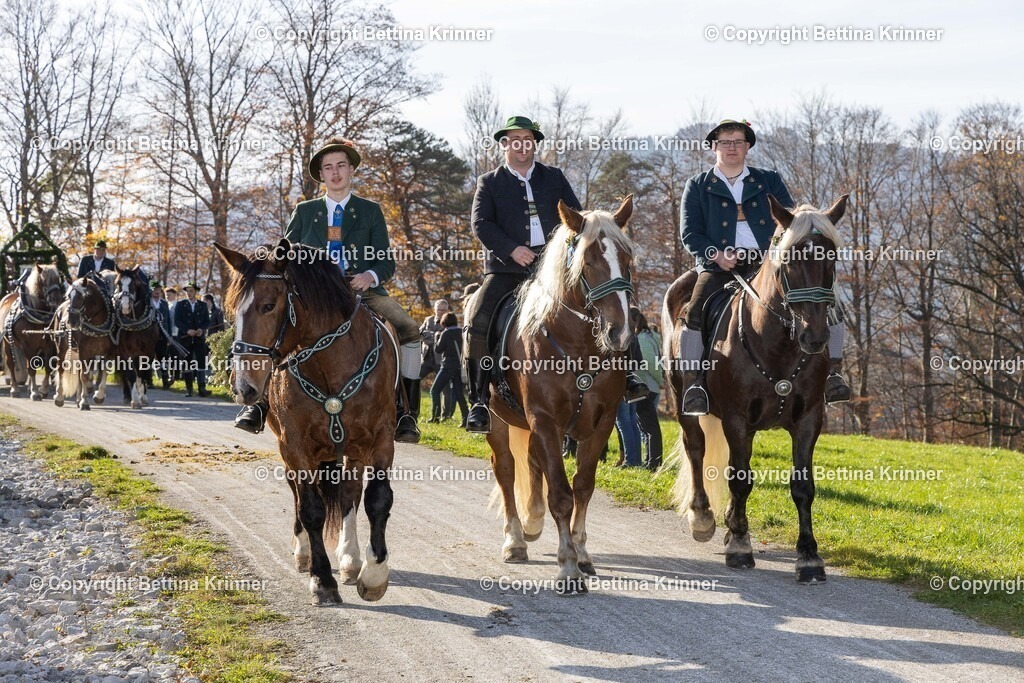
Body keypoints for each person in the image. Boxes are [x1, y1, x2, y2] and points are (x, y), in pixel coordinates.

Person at [465, 115, 647, 434]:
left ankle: (630, 376)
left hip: (556, 270)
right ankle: (479, 400)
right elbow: (481, 224)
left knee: (614, 303)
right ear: (505, 144)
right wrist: (512, 249)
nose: (522, 146)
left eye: (528, 140)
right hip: (508, 269)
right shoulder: (489, 182)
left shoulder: (554, 177)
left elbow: (578, 219)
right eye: (515, 140)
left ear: (535, 144)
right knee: (479, 318)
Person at [234, 136, 422, 443]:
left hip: (360, 291)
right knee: (276, 329)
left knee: (409, 330)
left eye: (341, 166)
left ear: (351, 170)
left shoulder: (370, 211)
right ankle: (260, 404)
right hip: (313, 297)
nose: (335, 173)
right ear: (321, 174)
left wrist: (370, 275)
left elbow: (386, 260)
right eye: (329, 167)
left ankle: (406, 412)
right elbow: (284, 257)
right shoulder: (304, 211)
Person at [679, 118, 852, 415]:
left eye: (738, 142)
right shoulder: (697, 185)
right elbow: (690, 233)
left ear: (747, 147)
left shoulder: (769, 179)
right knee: (695, 311)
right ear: (714, 147)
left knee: (830, 304)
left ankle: (833, 376)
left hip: (769, 265)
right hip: (720, 266)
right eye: (725, 142)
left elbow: (792, 224)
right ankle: (694, 384)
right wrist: (715, 254)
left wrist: (777, 254)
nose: (732, 147)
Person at [632, 309, 663, 470]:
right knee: (645, 426)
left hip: (646, 387)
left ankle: (654, 462)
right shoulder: (649, 336)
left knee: (649, 427)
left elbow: (651, 363)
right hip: (649, 386)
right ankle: (649, 459)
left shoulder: (642, 339)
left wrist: (660, 380)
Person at [429, 312, 469, 426]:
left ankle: (435, 417)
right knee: (459, 394)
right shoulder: (461, 332)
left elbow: (438, 349)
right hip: (459, 367)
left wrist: (437, 337)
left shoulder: (445, 333)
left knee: (435, 390)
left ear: (444, 322)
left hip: (447, 367)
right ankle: (466, 418)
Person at [173, 280, 210, 398]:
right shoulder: (180, 304)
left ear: (196, 292)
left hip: (199, 338)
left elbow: (207, 321)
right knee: (186, 362)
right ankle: (189, 389)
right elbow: (177, 321)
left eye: (191, 291)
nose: (189, 293)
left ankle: (202, 388)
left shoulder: (203, 305)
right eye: (187, 291)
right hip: (185, 338)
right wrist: (187, 330)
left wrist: (201, 329)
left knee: (201, 362)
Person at [420, 298, 453, 417]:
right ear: (435, 310)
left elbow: (445, 339)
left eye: (443, 310)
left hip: (440, 360)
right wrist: (435, 336)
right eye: (439, 309)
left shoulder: (449, 322)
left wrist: (429, 335)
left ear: (447, 310)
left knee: (445, 388)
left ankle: (445, 415)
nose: (441, 312)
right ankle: (412, 410)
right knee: (414, 380)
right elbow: (420, 333)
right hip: (426, 359)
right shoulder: (428, 320)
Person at [147, 280, 172, 390]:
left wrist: (169, 336)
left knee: (163, 357)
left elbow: (168, 320)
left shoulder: (164, 303)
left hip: (162, 334)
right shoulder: (147, 302)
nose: (157, 292)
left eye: (158, 290)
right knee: (148, 358)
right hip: (149, 335)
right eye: (154, 290)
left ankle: (165, 380)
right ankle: (149, 381)